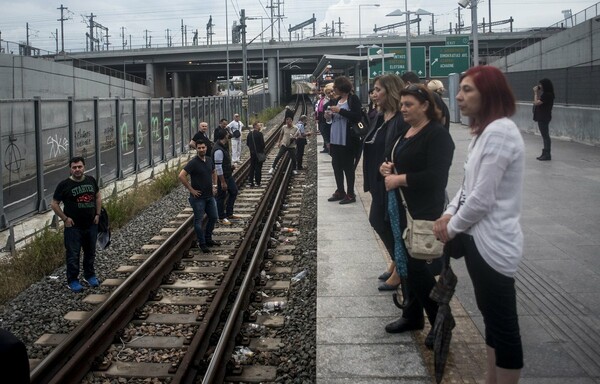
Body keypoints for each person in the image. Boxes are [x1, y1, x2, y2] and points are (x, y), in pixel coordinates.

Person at [433, 66, 524, 384]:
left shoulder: (500, 133)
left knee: (503, 324)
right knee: (490, 316)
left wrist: (451, 226)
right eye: (460, 89)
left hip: (494, 244)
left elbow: (482, 200)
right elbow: (468, 188)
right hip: (479, 240)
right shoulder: (486, 132)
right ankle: (490, 378)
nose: (458, 96)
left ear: (490, 94)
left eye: (467, 89)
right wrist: (449, 214)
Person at [379, 84, 454, 343]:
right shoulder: (408, 131)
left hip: (423, 210)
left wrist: (399, 179)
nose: (403, 109)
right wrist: (388, 168)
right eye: (402, 104)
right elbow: (401, 161)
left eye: (409, 104)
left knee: (417, 266)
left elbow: (437, 177)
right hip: (402, 207)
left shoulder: (437, 135)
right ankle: (413, 315)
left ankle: (441, 319)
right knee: (406, 265)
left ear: (425, 105)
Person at [362, 74, 409, 292]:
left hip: (389, 181)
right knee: (383, 222)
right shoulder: (381, 116)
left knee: (382, 222)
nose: (374, 93)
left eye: (378, 89)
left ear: (390, 91)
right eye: (373, 90)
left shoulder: (399, 119)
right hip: (376, 178)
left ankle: (401, 267)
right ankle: (395, 260)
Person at [51, 156, 102, 293]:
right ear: (70, 169)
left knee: (90, 252)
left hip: (91, 224)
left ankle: (89, 275)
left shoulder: (91, 180)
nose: (77, 169)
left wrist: (97, 214)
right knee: (73, 254)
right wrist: (65, 218)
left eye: (79, 166)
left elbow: (97, 196)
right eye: (74, 167)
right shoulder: (64, 185)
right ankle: (72, 280)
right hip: (73, 228)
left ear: (84, 167)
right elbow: (54, 203)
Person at [178, 140, 220, 253]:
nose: (201, 149)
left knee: (214, 217)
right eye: (199, 148)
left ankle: (208, 239)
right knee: (198, 221)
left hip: (209, 196)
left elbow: (214, 171)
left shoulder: (209, 160)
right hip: (198, 198)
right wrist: (191, 190)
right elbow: (181, 176)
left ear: (206, 148)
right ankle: (202, 243)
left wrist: (214, 185)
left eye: (203, 147)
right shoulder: (193, 163)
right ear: (196, 149)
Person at [327, 76, 362, 205]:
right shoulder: (337, 100)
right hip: (335, 138)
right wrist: (329, 115)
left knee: (348, 167)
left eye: (335, 87)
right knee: (336, 166)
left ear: (341, 87)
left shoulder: (353, 99)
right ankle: (340, 190)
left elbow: (357, 116)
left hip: (348, 139)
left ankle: (351, 193)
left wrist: (340, 111)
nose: (334, 89)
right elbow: (332, 119)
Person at [212, 129, 239, 225]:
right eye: (227, 134)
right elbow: (218, 167)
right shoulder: (218, 149)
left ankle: (229, 213)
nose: (228, 135)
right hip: (222, 177)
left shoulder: (222, 146)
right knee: (221, 196)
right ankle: (221, 217)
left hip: (228, 175)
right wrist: (222, 181)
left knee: (234, 191)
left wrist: (230, 166)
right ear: (225, 136)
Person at [533, 78, 555, 161]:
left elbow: (536, 103)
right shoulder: (546, 94)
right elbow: (539, 101)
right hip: (544, 116)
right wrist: (538, 93)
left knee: (545, 136)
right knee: (545, 135)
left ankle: (547, 154)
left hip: (544, 117)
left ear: (545, 85)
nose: (540, 86)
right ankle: (545, 152)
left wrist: (535, 92)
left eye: (541, 85)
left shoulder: (547, 95)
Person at [246, 121, 266, 187]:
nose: (260, 126)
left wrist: (252, 149)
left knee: (252, 167)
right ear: (255, 126)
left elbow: (247, 143)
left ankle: (250, 181)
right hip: (259, 153)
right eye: (259, 125)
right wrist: (261, 149)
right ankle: (258, 182)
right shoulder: (260, 134)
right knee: (258, 168)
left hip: (252, 153)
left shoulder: (249, 134)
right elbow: (263, 144)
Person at [319, 83, 335, 154]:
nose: (331, 94)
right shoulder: (326, 105)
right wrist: (327, 117)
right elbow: (325, 119)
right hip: (330, 127)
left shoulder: (342, 101)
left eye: (332, 91)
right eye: (328, 93)